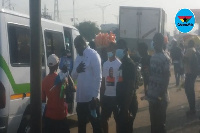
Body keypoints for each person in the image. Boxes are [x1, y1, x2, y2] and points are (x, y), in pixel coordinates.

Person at [71, 35, 102, 133]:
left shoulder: (94, 55)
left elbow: (98, 77)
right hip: (81, 99)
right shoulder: (78, 58)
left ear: (84, 44)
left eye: (78, 46)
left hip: (91, 99)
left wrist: (95, 96)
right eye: (75, 47)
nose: (77, 49)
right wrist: (77, 70)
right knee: (81, 127)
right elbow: (73, 76)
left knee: (96, 126)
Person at [147, 33, 170, 133]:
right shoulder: (153, 56)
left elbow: (166, 77)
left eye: (156, 41)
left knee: (160, 124)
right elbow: (151, 75)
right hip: (152, 94)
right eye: (154, 41)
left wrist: (161, 95)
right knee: (153, 122)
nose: (154, 43)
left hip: (160, 96)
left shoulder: (165, 58)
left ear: (160, 43)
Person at [42, 54, 70, 133]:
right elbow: (70, 89)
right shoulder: (61, 79)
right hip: (60, 115)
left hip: (49, 115)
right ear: (57, 65)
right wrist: (67, 73)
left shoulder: (44, 81)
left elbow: (43, 100)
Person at [116, 39, 138, 133]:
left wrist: (125, 109)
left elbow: (131, 88)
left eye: (120, 48)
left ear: (125, 50)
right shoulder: (121, 64)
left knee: (125, 129)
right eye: (117, 47)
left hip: (128, 104)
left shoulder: (129, 64)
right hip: (122, 104)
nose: (118, 50)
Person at [100, 42, 121, 133]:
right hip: (107, 97)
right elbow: (103, 81)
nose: (109, 51)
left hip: (116, 97)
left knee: (118, 120)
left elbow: (121, 81)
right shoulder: (105, 64)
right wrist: (101, 96)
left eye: (111, 49)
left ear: (115, 51)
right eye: (108, 49)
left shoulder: (119, 64)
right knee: (103, 119)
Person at [183, 40, 197, 116]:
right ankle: (192, 108)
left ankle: (192, 109)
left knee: (189, 91)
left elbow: (184, 60)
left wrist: (183, 56)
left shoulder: (189, 50)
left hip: (189, 73)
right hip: (193, 73)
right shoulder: (194, 50)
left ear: (189, 44)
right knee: (191, 90)